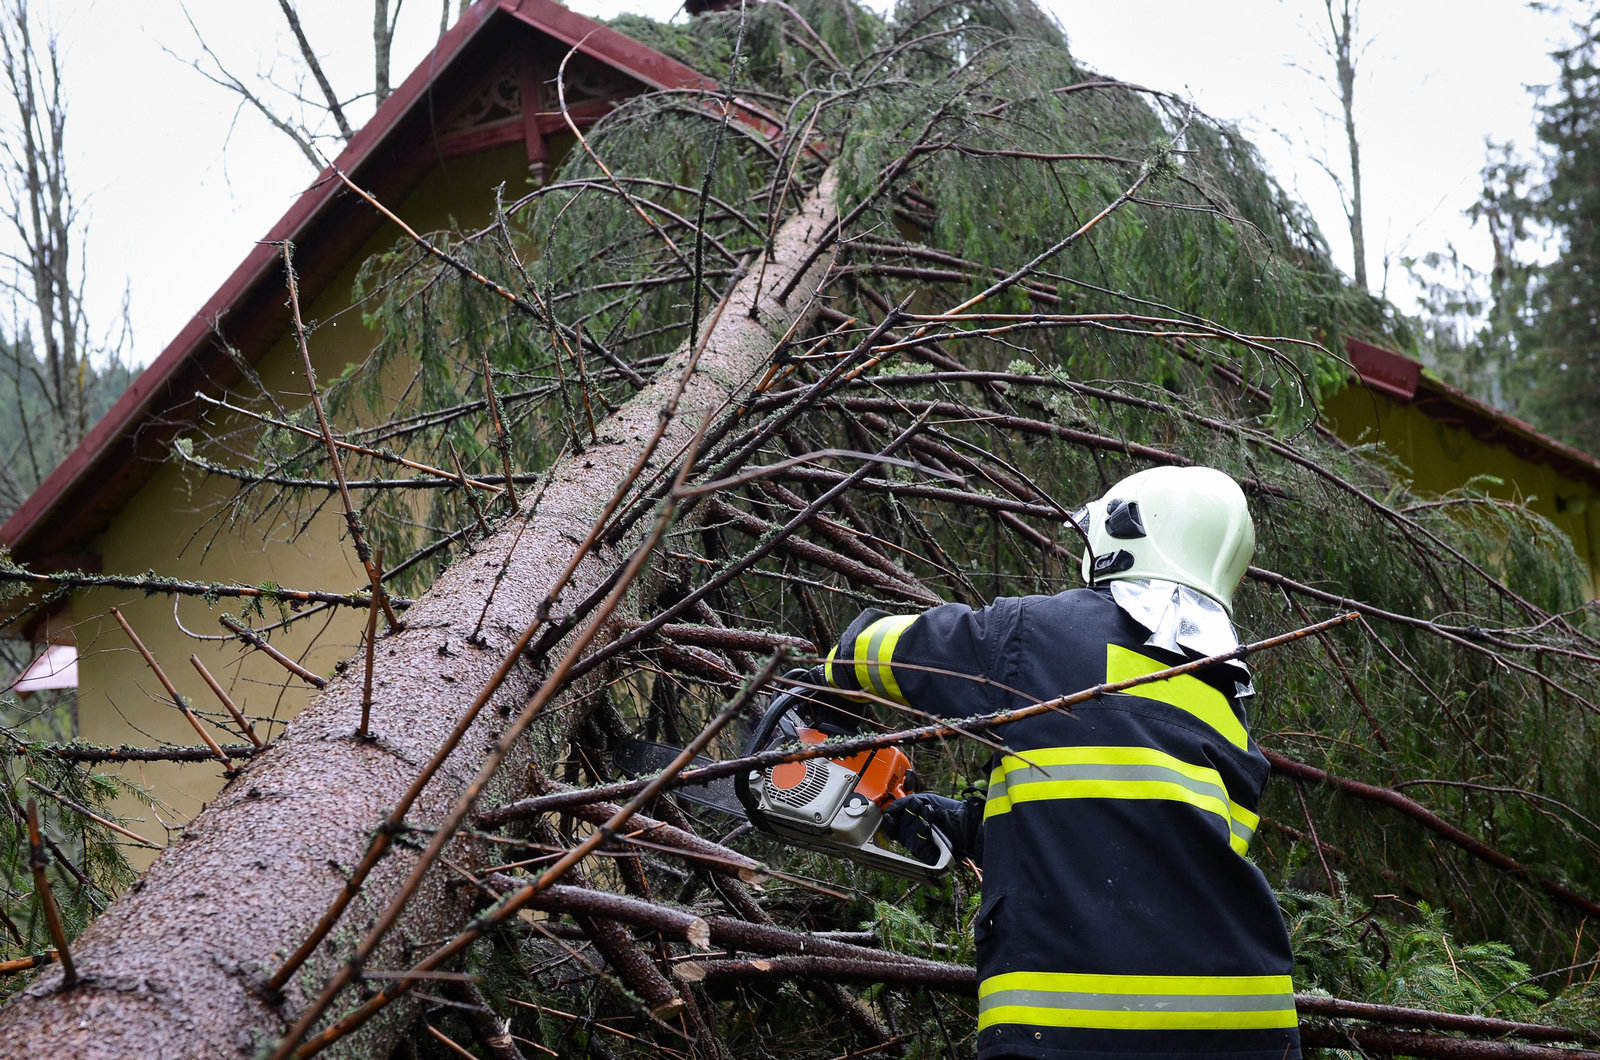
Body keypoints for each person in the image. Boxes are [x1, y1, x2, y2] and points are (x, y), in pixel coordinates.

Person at [818, 465, 1300, 1060]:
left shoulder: (1040, 634)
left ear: (1125, 536)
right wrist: (973, 827)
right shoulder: (1225, 704)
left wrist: (829, 678)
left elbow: (891, 653)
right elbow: (1147, 854)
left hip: (1072, 1026)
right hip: (1245, 1027)